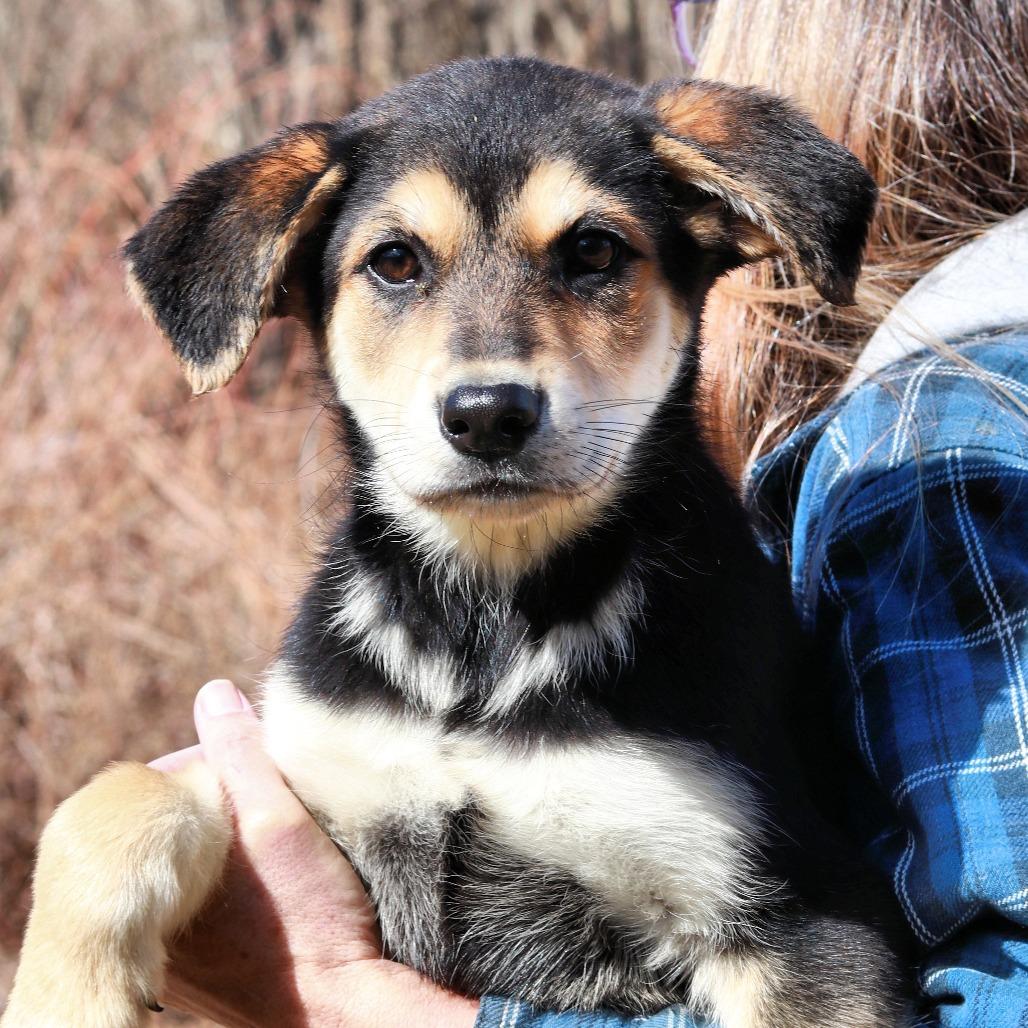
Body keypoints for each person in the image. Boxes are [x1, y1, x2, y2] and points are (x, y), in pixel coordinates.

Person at [151, 0, 1028, 1024]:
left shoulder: (941, 437)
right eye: (398, 263)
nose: (489, 375)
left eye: (589, 257)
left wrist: (341, 1002)